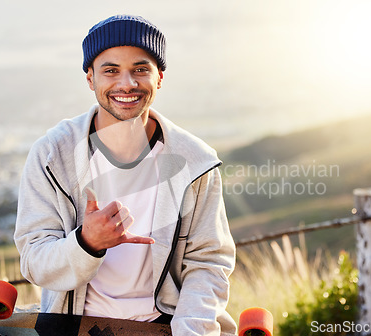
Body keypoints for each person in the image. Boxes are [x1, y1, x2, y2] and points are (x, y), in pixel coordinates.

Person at [14, 14, 237, 335]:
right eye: (111, 70)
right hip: (74, 325)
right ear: (90, 78)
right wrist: (86, 242)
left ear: (159, 77)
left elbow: (208, 264)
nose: (127, 84)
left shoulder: (195, 162)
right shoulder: (52, 154)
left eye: (140, 69)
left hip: (165, 326)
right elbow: (35, 263)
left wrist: (190, 331)